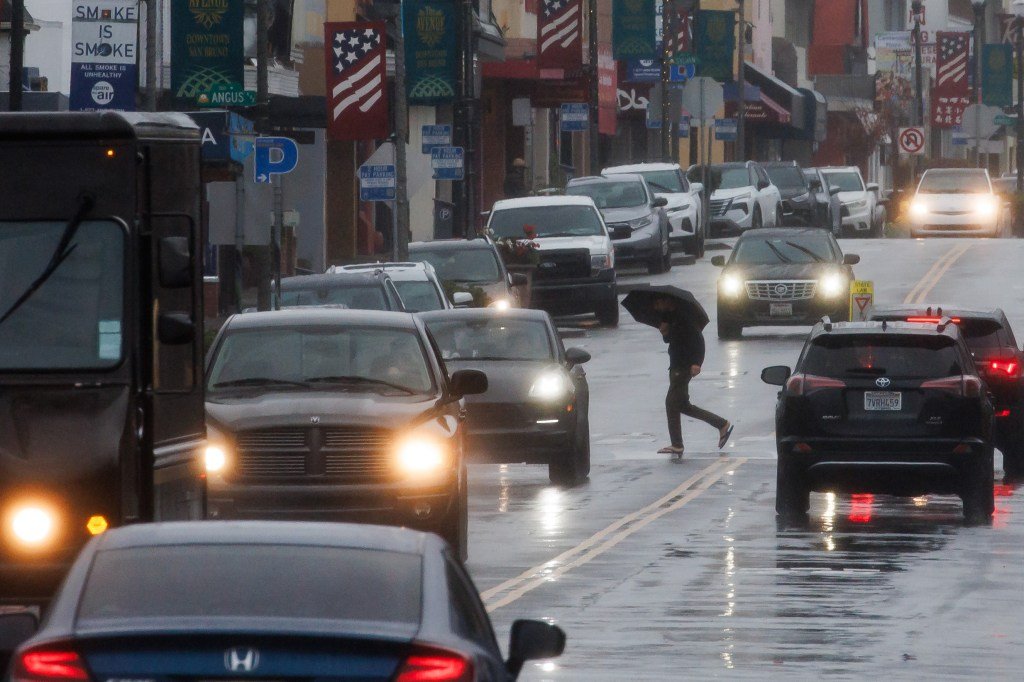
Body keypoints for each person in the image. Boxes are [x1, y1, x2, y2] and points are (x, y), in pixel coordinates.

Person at [654, 297, 733, 459]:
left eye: (659, 302)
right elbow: (670, 339)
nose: (657, 305)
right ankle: (721, 424)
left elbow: (698, 339)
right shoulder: (668, 316)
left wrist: (697, 362)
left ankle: (677, 444)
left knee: (671, 403)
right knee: (682, 405)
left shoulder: (683, 316)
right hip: (675, 364)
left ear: (668, 301)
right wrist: (664, 330)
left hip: (684, 366)